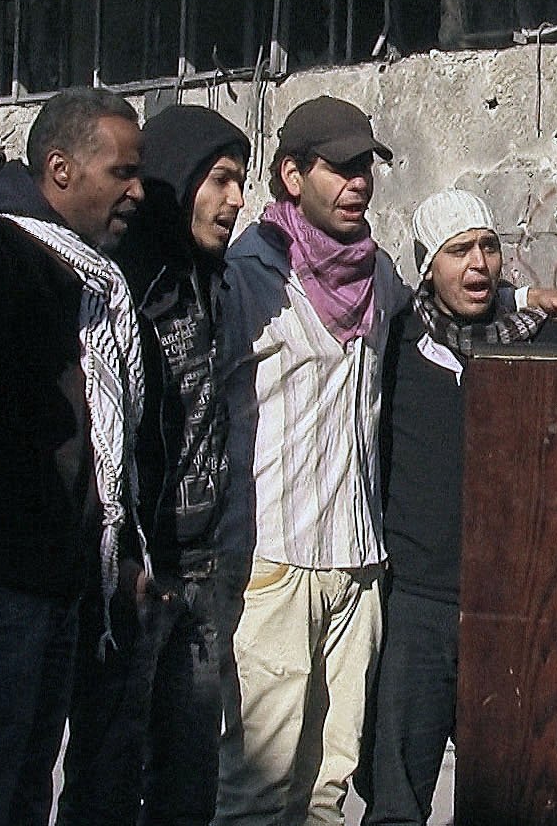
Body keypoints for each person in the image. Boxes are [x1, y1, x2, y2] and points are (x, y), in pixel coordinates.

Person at [0, 87, 148, 826]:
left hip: (62, 582)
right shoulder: (1, 261)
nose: (135, 192)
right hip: (6, 582)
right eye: (120, 173)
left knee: (29, 785)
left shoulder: (88, 276)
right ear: (59, 170)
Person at [361, 189, 557, 826]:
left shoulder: (536, 341)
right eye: (459, 250)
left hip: (509, 604)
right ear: (430, 264)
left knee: (508, 790)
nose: (478, 264)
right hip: (420, 600)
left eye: (488, 247)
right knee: (398, 794)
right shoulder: (398, 339)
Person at [59, 105, 251, 826]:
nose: (236, 201)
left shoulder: (211, 279)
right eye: (222, 180)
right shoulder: (121, 285)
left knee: (187, 787)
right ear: (180, 179)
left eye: (240, 182)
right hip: (138, 579)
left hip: (200, 570)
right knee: (108, 780)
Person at [214, 95, 403, 826]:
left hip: (357, 566)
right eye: (341, 167)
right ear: (292, 175)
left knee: (327, 788)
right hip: (275, 564)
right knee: (259, 789)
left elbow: (442, 317)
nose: (358, 182)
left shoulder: (378, 276)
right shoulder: (248, 276)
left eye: (367, 167)